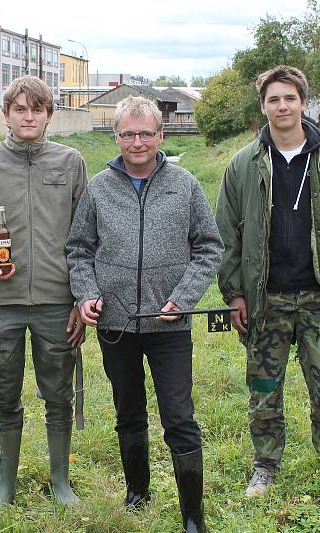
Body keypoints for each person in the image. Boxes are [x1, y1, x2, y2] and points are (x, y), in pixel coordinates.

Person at [66, 95, 223, 533]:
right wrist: (87, 294)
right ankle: (137, 490)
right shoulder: (99, 187)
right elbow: (79, 250)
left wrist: (185, 297)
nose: (137, 142)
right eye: (128, 134)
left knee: (179, 415)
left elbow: (209, 248)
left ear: (161, 135)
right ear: (116, 137)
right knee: (128, 409)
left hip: (169, 323)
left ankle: (193, 513)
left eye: (146, 133)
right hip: (116, 324)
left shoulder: (185, 185)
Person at [215, 65, 320, 498]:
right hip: (266, 298)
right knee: (264, 390)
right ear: (262, 106)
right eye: (273, 99)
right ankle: (265, 466)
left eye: (289, 98)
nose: (282, 106)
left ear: (302, 102)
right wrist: (234, 294)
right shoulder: (243, 164)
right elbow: (226, 233)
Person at [0, 75, 87, 506]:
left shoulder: (71, 163)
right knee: (2, 392)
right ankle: (5, 483)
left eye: (37, 109)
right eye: (20, 109)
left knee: (58, 393)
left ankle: (60, 480)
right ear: (5, 115)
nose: (29, 117)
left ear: (49, 115)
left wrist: (82, 298)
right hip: (0, 305)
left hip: (57, 303)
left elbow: (87, 235)